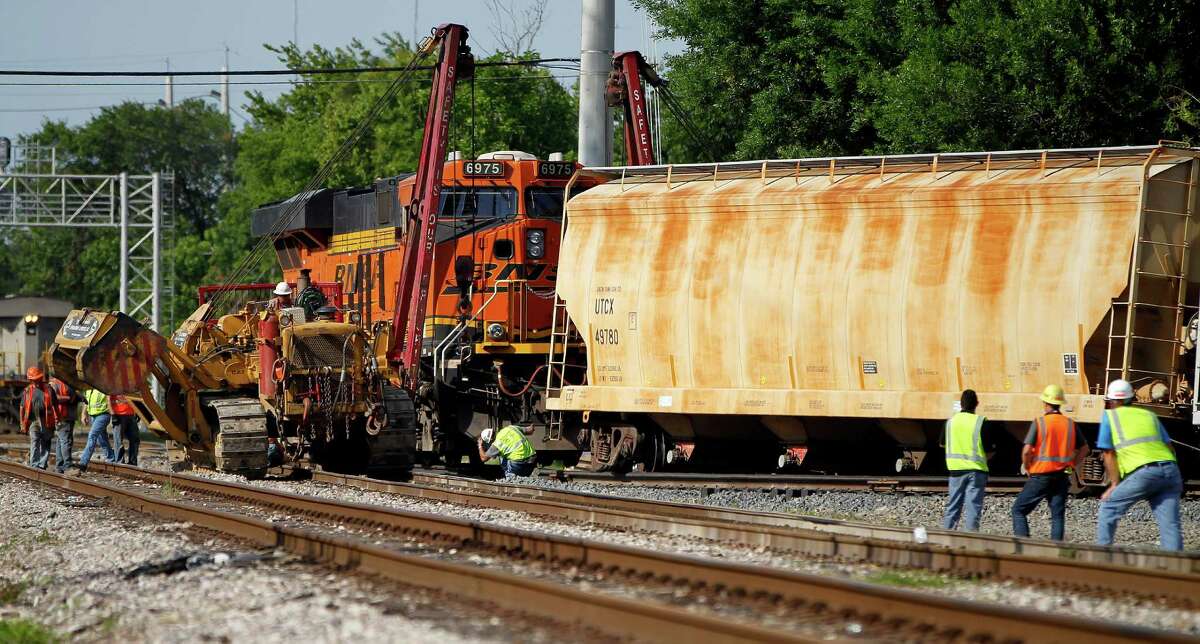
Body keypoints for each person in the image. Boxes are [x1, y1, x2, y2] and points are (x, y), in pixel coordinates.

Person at [1095, 379, 1183, 551]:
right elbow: (1170, 447)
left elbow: (1108, 453)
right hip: (1171, 470)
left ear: (1112, 401)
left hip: (1145, 472)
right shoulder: (1149, 415)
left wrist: (1114, 484)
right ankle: (1175, 572)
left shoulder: (1110, 417)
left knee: (1109, 507)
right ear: (1131, 398)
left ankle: (1102, 558)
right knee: (1170, 525)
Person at [1011, 384, 1089, 540]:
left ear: (1046, 404)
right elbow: (1085, 448)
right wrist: (1072, 464)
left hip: (1040, 475)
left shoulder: (1039, 423)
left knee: (1018, 510)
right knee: (1057, 516)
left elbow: (1026, 451)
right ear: (1060, 403)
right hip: (1061, 476)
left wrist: (1027, 467)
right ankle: (1056, 552)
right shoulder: (1070, 424)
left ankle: (1022, 546)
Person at [941, 389, 992, 531]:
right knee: (973, 509)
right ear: (977, 404)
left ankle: (947, 538)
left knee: (953, 507)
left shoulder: (950, 423)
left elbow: (942, 443)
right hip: (976, 471)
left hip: (956, 471)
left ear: (961, 404)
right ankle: (971, 541)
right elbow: (990, 450)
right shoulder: (981, 422)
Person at [19, 367, 58, 470]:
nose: (36, 382)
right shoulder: (27, 391)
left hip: (47, 420)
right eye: (34, 380)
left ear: (41, 378)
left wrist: (58, 417)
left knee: (46, 441)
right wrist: (22, 422)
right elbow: (22, 407)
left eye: (38, 379)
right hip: (33, 420)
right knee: (35, 440)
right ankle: (34, 465)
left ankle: (42, 464)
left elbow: (55, 404)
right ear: (30, 380)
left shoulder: (49, 389)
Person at [76, 388, 116, 473]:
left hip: (104, 415)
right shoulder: (88, 388)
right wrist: (83, 414)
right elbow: (86, 402)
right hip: (93, 416)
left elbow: (109, 400)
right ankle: (111, 457)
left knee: (92, 436)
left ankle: (83, 463)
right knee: (102, 439)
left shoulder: (102, 386)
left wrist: (112, 413)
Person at [48, 375, 76, 474]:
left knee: (61, 441)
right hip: (63, 416)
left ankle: (59, 465)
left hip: (65, 416)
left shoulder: (62, 383)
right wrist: (70, 397)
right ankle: (67, 465)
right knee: (65, 441)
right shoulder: (55, 384)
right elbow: (54, 398)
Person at [109, 394, 140, 466]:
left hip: (131, 415)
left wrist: (138, 411)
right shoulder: (112, 385)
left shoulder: (130, 384)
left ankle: (133, 462)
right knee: (118, 440)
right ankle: (119, 462)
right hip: (118, 415)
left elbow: (135, 397)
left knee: (135, 439)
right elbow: (108, 399)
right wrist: (113, 414)